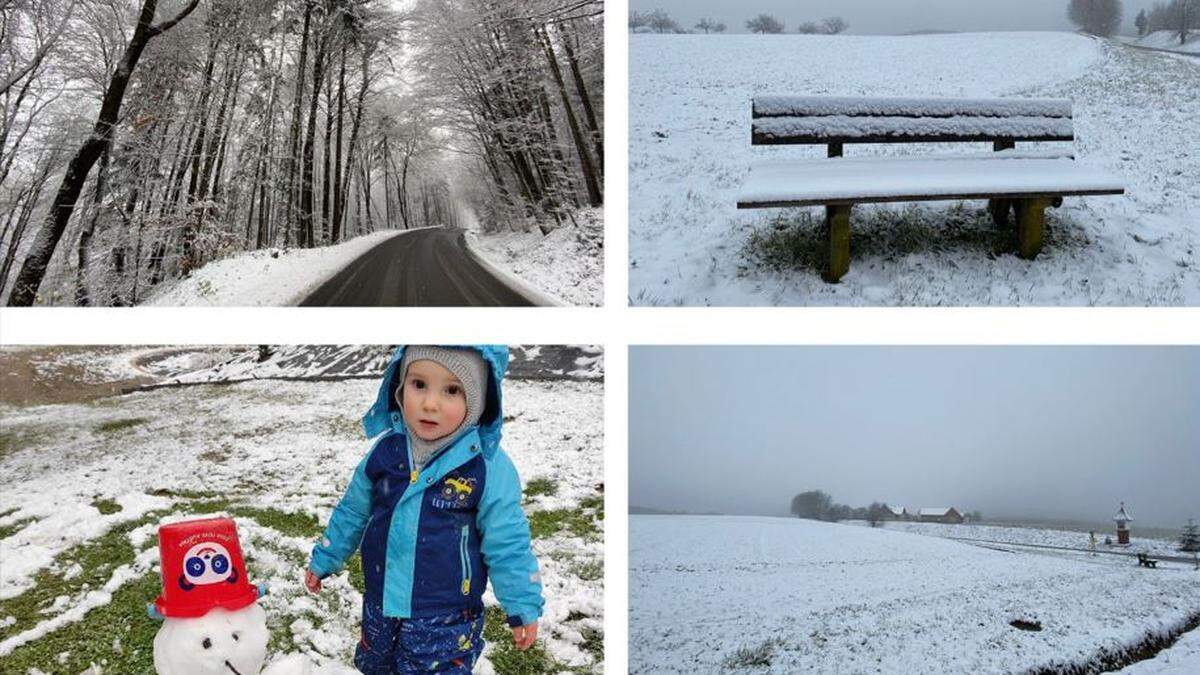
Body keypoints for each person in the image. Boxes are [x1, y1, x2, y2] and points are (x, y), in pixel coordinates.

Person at [305, 346, 542, 673]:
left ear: (477, 402)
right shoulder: (385, 452)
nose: (431, 403)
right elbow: (353, 511)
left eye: (452, 390)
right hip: (381, 602)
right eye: (419, 385)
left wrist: (522, 603)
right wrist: (326, 558)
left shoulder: (486, 467)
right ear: (400, 388)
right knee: (378, 667)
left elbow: (508, 543)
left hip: (446, 615)